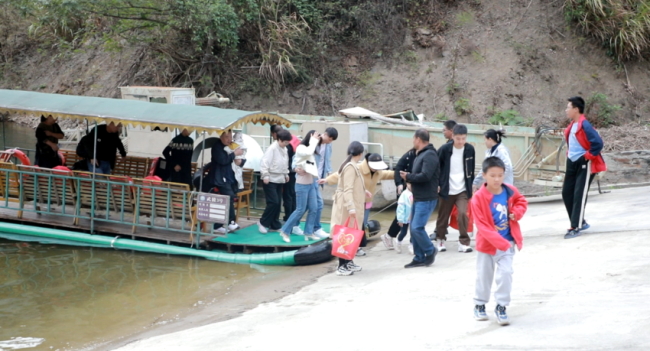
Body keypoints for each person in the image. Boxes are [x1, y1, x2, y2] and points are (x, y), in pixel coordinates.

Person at [472, 156, 528, 326]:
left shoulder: (510, 190)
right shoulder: (478, 198)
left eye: (500, 175)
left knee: (506, 274)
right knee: (484, 276)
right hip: (487, 245)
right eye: (492, 175)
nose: (497, 179)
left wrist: (516, 213)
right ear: (484, 175)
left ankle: (501, 306)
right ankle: (479, 304)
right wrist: (501, 244)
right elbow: (482, 226)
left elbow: (521, 201)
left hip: (507, 242)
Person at [326, 153, 393, 256]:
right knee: (353, 225)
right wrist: (326, 180)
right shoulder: (357, 168)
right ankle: (350, 249)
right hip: (356, 202)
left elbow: (386, 174)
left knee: (362, 225)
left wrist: (400, 174)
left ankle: (356, 247)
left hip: (367, 202)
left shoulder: (378, 172)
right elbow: (339, 175)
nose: (376, 169)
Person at [562, 96, 606, 239]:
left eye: (568, 107)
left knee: (579, 195)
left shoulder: (585, 125)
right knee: (566, 193)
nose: (566, 110)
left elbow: (598, 143)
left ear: (576, 109)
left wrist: (587, 156)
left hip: (583, 162)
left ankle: (575, 227)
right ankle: (580, 221)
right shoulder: (572, 125)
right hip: (572, 161)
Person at [325, 141, 368, 276]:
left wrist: (364, 191)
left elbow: (353, 186)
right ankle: (341, 265)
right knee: (345, 235)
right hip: (347, 207)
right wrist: (351, 208)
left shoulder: (352, 165)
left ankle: (348, 261)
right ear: (360, 153)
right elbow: (348, 189)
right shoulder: (350, 167)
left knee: (350, 234)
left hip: (351, 204)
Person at [399, 129, 439, 268]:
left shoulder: (429, 155)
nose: (413, 141)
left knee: (417, 228)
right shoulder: (421, 154)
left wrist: (408, 177)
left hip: (426, 198)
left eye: (413, 138)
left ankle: (430, 250)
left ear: (418, 139)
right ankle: (419, 257)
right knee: (413, 227)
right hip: (419, 197)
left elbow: (426, 175)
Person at [434, 124, 476, 253]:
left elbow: (471, 169)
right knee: (443, 216)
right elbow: (436, 168)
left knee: (463, 213)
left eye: (463, 138)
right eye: (458, 138)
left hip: (463, 189)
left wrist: (471, 185)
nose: (461, 141)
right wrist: (437, 184)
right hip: (447, 188)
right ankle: (440, 239)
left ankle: (463, 241)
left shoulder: (470, 149)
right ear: (452, 136)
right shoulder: (444, 149)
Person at [279, 130, 323, 243]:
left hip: (311, 184)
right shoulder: (301, 148)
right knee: (300, 209)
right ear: (310, 138)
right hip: (301, 185)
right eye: (315, 139)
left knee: (314, 208)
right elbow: (308, 153)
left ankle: (308, 232)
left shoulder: (312, 149)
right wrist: (313, 140)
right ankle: (285, 231)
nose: (317, 142)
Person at [207, 130, 243, 234]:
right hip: (219, 179)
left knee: (226, 200)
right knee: (228, 197)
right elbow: (223, 160)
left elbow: (240, 156)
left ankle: (221, 225)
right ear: (221, 137)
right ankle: (230, 222)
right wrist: (234, 154)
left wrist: (239, 159)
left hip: (229, 177)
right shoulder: (217, 147)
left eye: (230, 137)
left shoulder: (232, 145)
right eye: (226, 137)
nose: (229, 139)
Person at [381, 147, 416, 253]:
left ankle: (410, 241)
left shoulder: (424, 155)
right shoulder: (408, 156)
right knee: (402, 215)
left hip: (415, 189)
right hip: (405, 190)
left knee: (411, 215)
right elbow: (397, 170)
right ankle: (389, 235)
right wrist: (399, 184)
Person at [258, 129, 292, 234]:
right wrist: (265, 175)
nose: (286, 144)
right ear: (280, 140)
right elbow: (265, 162)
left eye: (287, 142)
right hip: (270, 178)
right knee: (273, 202)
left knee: (278, 203)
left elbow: (285, 162)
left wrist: (286, 174)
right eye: (285, 142)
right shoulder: (272, 148)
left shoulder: (285, 149)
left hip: (280, 178)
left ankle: (275, 224)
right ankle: (263, 222)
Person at [271, 125, 301, 235]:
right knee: (293, 196)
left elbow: (284, 160)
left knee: (288, 197)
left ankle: (289, 219)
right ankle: (292, 218)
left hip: (288, 173)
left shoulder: (285, 145)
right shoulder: (293, 139)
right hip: (294, 172)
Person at [313, 127, 338, 238]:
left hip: (319, 177)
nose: (330, 141)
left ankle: (312, 227)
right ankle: (315, 228)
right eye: (330, 139)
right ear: (326, 134)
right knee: (317, 203)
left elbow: (327, 159)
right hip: (311, 175)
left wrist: (328, 171)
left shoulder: (328, 145)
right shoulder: (314, 141)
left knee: (314, 204)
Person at [394, 181, 413, 254]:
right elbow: (400, 208)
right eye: (410, 184)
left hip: (414, 217)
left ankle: (411, 246)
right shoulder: (404, 194)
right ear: (407, 184)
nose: (411, 186)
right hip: (405, 217)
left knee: (414, 232)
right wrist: (400, 219)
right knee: (403, 232)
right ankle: (398, 242)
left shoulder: (417, 192)